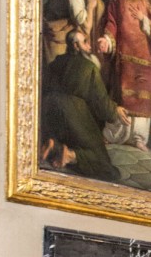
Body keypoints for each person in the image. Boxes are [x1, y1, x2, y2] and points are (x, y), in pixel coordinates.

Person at [40, 29, 130, 181]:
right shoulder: (89, 67)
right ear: (75, 46)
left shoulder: (56, 62)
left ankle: (54, 145)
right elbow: (102, 104)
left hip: (49, 111)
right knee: (105, 166)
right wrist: (115, 109)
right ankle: (69, 155)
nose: (89, 46)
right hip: (72, 112)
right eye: (85, 42)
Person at [98, 0, 151, 151]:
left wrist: (145, 22)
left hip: (145, 57)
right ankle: (113, 134)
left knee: (142, 99)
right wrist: (107, 40)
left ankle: (139, 138)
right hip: (125, 54)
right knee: (123, 95)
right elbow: (112, 23)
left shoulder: (144, 2)